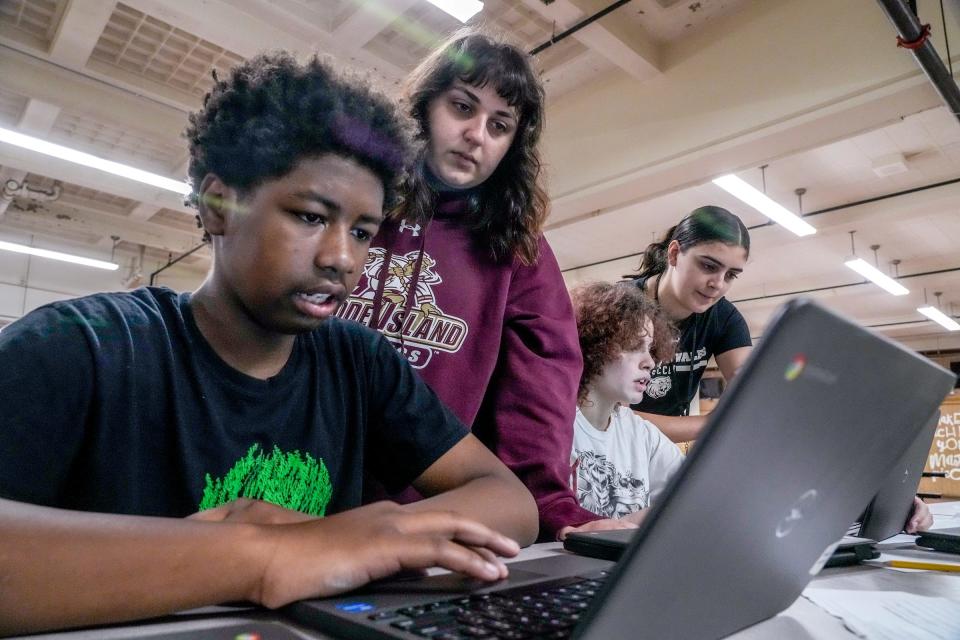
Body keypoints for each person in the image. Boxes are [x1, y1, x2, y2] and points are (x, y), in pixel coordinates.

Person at [0, 52, 538, 636]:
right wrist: (262, 557)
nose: (342, 258)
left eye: (362, 231)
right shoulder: (87, 345)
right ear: (217, 206)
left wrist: (368, 532)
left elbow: (511, 503)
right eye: (309, 217)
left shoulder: (358, 362)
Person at [339, 28, 603, 540]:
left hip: (416, 529)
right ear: (424, 106)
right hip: (290, 500)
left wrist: (548, 506)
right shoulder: (351, 201)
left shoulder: (519, 251)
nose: (477, 134)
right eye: (462, 107)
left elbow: (539, 392)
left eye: (499, 125)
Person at [563, 282, 682, 535]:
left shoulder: (642, 435)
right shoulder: (557, 426)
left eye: (650, 349)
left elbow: (694, 490)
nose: (650, 362)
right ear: (593, 344)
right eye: (633, 347)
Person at [631, 205, 753, 443]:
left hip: (664, 450)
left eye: (730, 275)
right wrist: (712, 424)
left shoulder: (725, 318)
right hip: (611, 451)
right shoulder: (621, 309)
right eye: (709, 266)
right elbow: (613, 417)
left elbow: (749, 390)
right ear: (674, 253)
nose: (718, 284)